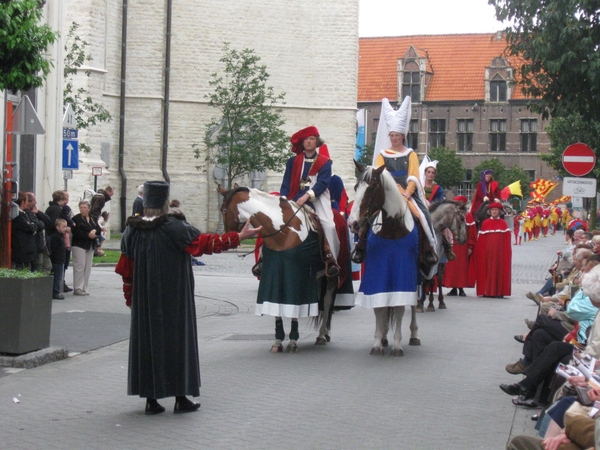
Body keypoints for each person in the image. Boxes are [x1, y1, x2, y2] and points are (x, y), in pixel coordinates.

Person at [115, 181, 260, 415]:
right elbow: (205, 244)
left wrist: (131, 298)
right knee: (177, 345)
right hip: (174, 299)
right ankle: (181, 398)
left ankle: (151, 401)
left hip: (145, 302)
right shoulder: (174, 227)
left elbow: (126, 269)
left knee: (148, 346)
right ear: (164, 203)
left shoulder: (133, 230)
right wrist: (238, 236)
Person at [372, 97, 438, 271]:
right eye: (392, 135)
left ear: (403, 136)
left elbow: (414, 176)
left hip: (406, 191)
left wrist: (408, 192)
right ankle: (362, 246)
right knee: (367, 215)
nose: (394, 138)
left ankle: (428, 248)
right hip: (386, 191)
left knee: (422, 215)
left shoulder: (411, 154)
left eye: (397, 135)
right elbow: (378, 174)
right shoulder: (382, 154)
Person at [279, 125, 340, 277]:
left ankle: (330, 259)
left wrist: (307, 196)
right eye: (306, 139)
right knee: (275, 222)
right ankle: (263, 259)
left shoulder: (325, 162)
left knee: (329, 225)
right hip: (294, 196)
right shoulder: (293, 161)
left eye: (312, 139)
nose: (309, 142)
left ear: (317, 142)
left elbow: (322, 183)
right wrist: (283, 199)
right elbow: (286, 182)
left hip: (316, 198)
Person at [470, 202, 512, 297]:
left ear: (499, 212)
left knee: (499, 272)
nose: (494, 212)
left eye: (496, 210)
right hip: (488, 254)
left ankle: (499, 292)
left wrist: (505, 254)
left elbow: (506, 242)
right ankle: (487, 291)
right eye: (492, 210)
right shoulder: (485, 223)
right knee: (487, 272)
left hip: (499, 254)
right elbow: (481, 241)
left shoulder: (503, 224)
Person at [443, 196, 476, 296]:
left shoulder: (468, 215)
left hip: (462, 244)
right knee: (451, 267)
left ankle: (461, 288)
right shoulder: (450, 214)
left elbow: (471, 231)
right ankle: (453, 287)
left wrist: (470, 246)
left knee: (461, 267)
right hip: (452, 243)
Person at [71, 200, 102, 296]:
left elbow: (98, 229)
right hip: (79, 244)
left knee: (88, 267)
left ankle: (84, 287)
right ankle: (77, 288)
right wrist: (88, 234)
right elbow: (76, 232)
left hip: (90, 245)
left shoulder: (93, 218)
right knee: (80, 265)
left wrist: (94, 231)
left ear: (88, 209)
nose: (83, 209)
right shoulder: (76, 218)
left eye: (85, 208)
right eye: (81, 207)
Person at [10, 192, 39, 270]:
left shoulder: (24, 213)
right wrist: (31, 225)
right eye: (26, 200)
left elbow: (35, 225)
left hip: (28, 250)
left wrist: (32, 225)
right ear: (22, 201)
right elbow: (29, 227)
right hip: (22, 249)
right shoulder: (17, 215)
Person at [90, 185, 113, 256]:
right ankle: (96, 250)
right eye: (111, 194)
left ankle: (96, 250)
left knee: (99, 234)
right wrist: (97, 219)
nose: (111, 196)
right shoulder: (101, 197)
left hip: (95, 218)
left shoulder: (99, 195)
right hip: (95, 218)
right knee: (98, 234)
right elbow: (95, 209)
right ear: (108, 191)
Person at [49, 219, 68, 300]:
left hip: (60, 260)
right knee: (57, 277)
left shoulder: (60, 236)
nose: (65, 228)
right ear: (57, 227)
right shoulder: (56, 237)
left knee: (59, 276)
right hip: (57, 260)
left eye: (66, 227)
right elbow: (54, 249)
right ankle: (55, 292)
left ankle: (56, 291)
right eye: (63, 227)